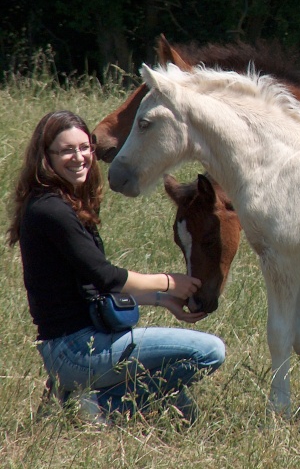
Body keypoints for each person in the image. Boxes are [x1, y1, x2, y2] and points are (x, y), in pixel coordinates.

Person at [6, 110, 225, 425]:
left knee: (182, 409)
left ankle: (78, 397)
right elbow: (105, 277)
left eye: (84, 148)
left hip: (84, 343)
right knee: (211, 351)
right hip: (76, 350)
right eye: (67, 150)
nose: (79, 157)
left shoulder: (63, 203)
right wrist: (168, 283)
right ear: (46, 157)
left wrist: (166, 303)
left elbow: (94, 287)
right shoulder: (50, 211)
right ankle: (94, 405)